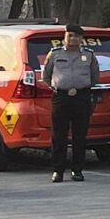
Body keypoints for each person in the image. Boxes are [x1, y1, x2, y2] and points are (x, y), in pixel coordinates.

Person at [41, 26, 98, 182]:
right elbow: (46, 75)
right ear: (64, 37)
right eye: (70, 35)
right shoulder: (54, 54)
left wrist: (81, 88)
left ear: (81, 39)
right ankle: (58, 170)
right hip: (61, 97)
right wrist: (57, 87)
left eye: (76, 36)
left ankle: (77, 170)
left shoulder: (89, 55)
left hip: (82, 97)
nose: (73, 39)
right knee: (59, 135)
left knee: (80, 135)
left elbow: (95, 76)